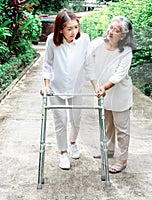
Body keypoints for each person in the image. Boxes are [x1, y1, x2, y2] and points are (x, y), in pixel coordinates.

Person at [40, 9, 98, 170]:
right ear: (60, 29)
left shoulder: (84, 39)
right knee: (61, 121)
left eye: (76, 27)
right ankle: (63, 153)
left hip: (76, 87)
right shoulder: (52, 40)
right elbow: (48, 65)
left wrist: (96, 87)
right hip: (56, 88)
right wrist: (46, 86)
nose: (74, 32)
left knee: (75, 119)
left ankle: (73, 143)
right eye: (69, 28)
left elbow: (89, 65)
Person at [88, 16, 135, 173]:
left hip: (119, 94)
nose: (111, 32)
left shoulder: (126, 51)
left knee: (122, 128)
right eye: (111, 28)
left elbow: (118, 75)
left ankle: (122, 159)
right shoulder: (99, 44)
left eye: (116, 30)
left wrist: (104, 87)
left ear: (123, 36)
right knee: (107, 124)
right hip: (104, 92)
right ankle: (109, 150)